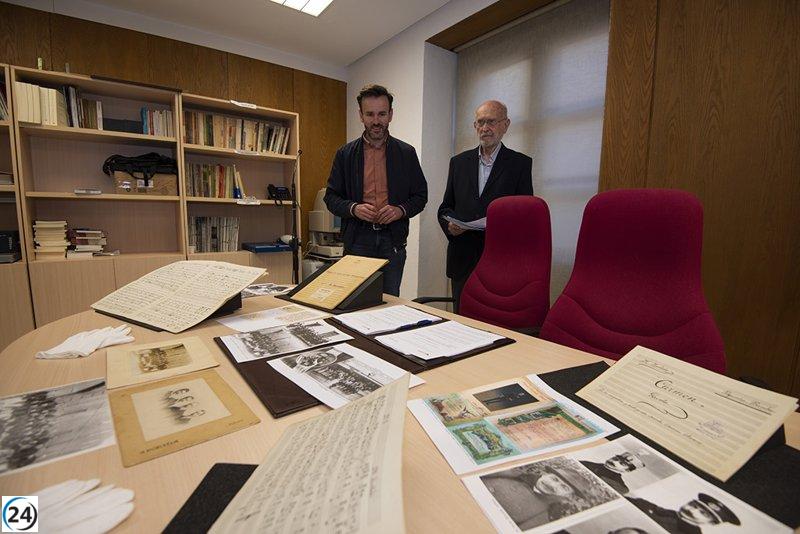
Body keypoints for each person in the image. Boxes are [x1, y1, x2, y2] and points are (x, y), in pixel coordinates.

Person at [324, 84, 428, 296]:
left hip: (393, 241)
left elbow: (420, 196)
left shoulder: (406, 153)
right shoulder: (345, 154)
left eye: (382, 114)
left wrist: (400, 210)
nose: (376, 121)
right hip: (358, 240)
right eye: (370, 114)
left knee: (389, 301)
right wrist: (353, 208)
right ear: (361, 116)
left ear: (390, 115)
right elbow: (331, 197)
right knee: (354, 300)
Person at [437, 100, 533, 312]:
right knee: (462, 325)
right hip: (463, 260)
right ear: (474, 126)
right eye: (480, 122)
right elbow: (445, 208)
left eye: (491, 121)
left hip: (501, 261)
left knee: (494, 324)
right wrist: (450, 226)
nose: (485, 128)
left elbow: (525, 215)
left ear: (505, 125)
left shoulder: (520, 164)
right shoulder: (458, 162)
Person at [626, 493, 740, 534]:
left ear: (712, 523)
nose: (692, 510)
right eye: (694, 505)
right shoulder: (647, 505)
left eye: (703, 513)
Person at [580, 451, 646, 494]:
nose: (614, 461)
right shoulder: (585, 463)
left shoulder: (620, 488)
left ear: (627, 470)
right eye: (616, 458)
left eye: (622, 463)